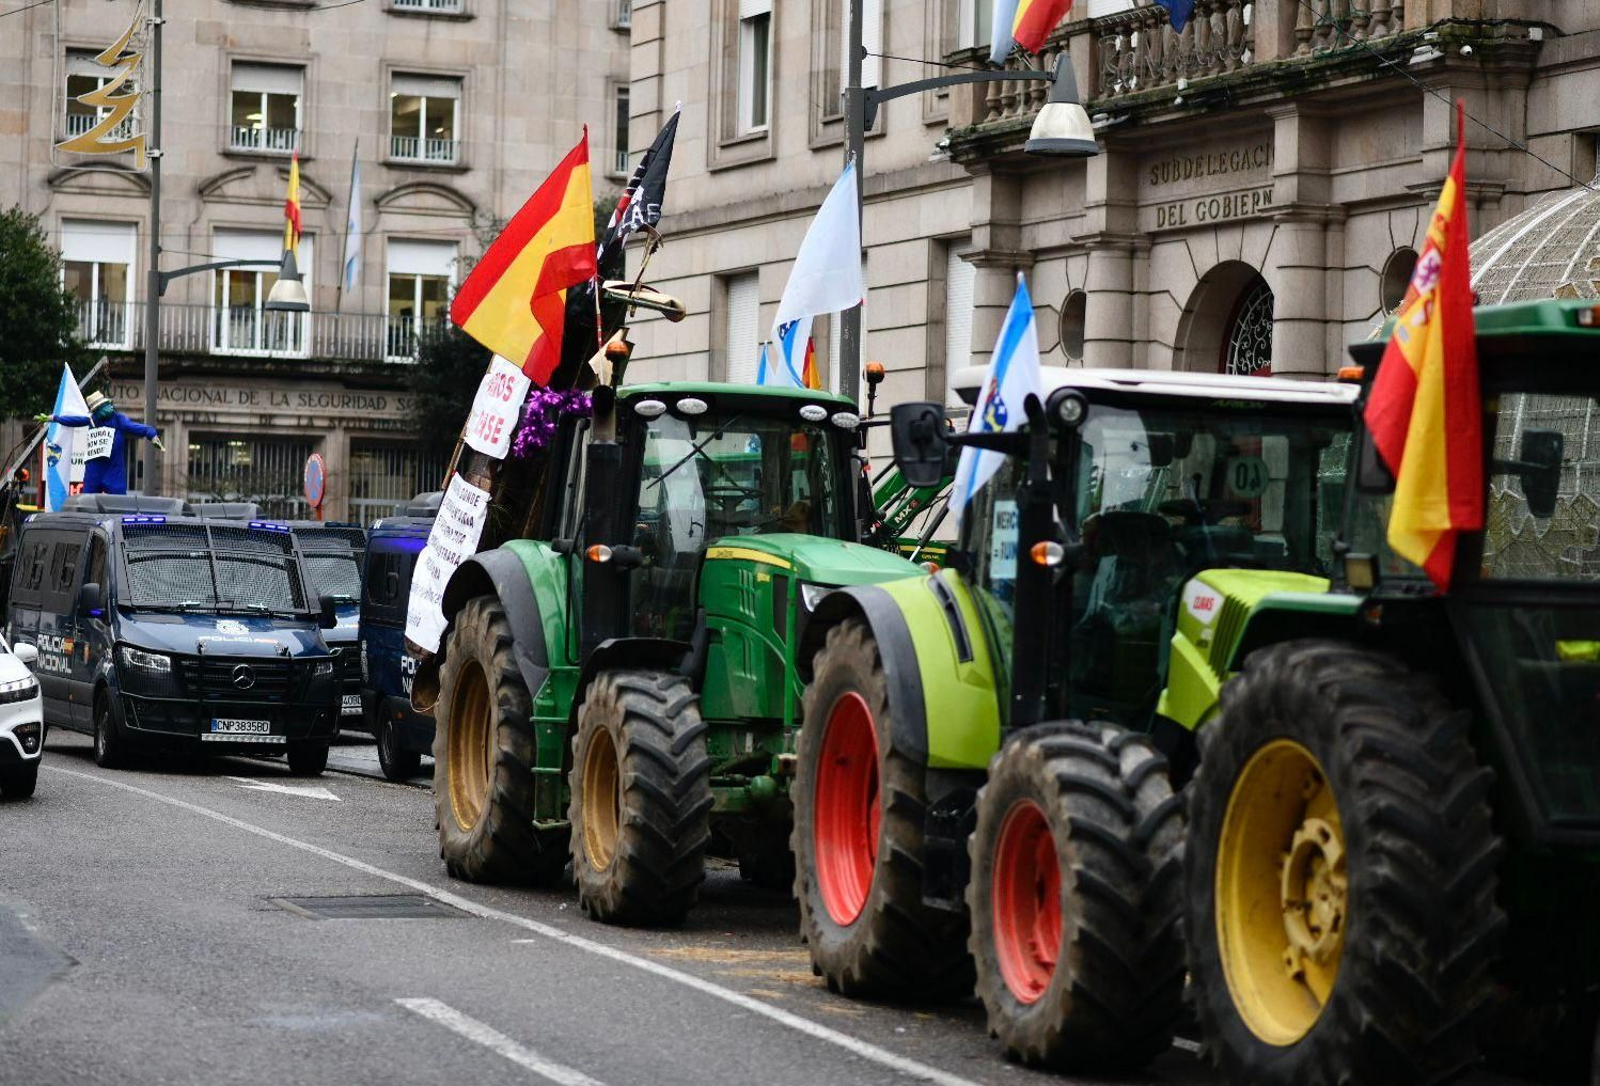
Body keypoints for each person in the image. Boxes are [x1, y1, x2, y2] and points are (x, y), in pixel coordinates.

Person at [34, 391, 164, 496]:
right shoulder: (91, 419)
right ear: (96, 410)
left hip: (113, 471)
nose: (110, 407)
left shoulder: (119, 419)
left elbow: (136, 427)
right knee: (87, 503)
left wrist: (152, 435)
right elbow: (74, 420)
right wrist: (53, 418)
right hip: (94, 470)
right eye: (104, 406)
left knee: (118, 505)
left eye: (108, 404)